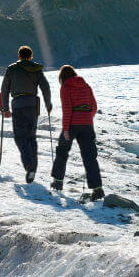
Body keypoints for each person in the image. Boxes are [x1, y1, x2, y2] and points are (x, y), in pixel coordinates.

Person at [51, 65, 104, 201]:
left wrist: (66, 129)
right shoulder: (86, 86)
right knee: (90, 156)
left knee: (62, 151)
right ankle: (97, 189)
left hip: (72, 123)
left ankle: (57, 182)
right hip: (87, 123)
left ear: (62, 77)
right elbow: (93, 106)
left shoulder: (66, 87)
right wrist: (87, 118)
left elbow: (67, 109)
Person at [0, 46, 52, 183]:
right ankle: (33, 167)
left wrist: (5, 108)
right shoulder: (36, 69)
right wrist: (48, 104)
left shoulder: (12, 69)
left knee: (20, 137)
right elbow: (45, 87)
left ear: (19, 56)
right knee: (31, 137)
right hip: (34, 104)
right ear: (31, 56)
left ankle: (29, 167)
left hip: (18, 104)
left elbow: (4, 89)